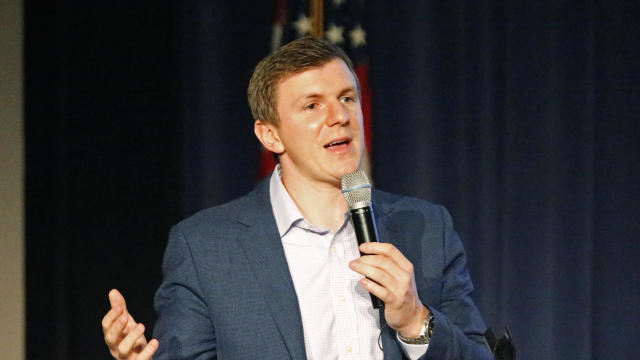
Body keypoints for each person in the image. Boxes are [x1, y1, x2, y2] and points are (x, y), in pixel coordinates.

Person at [102, 37, 492, 359]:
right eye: (312, 105)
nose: (339, 116)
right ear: (270, 135)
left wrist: (414, 320)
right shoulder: (205, 247)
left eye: (347, 98)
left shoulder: (426, 227)